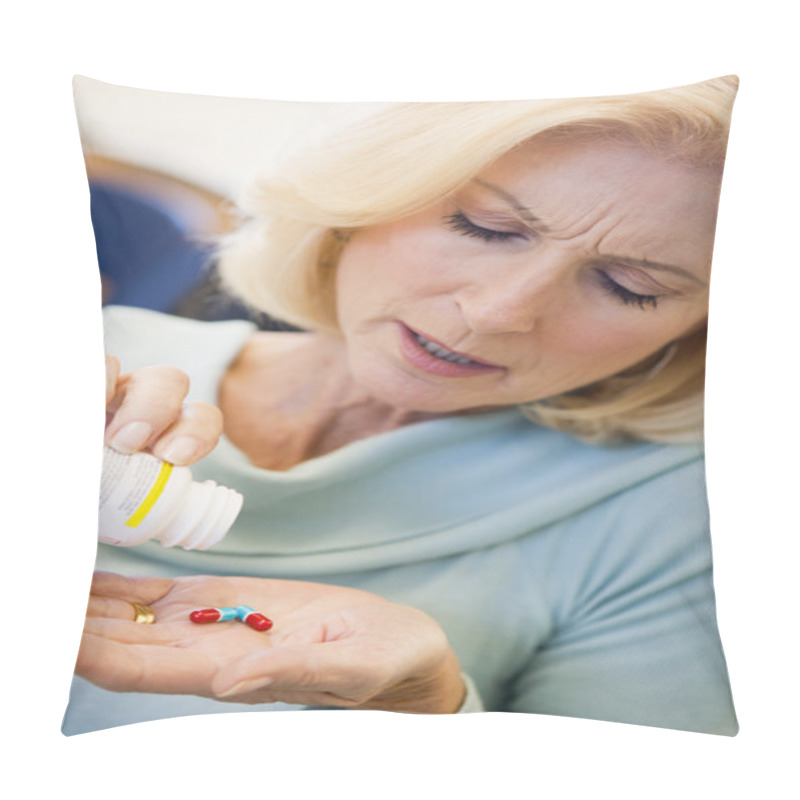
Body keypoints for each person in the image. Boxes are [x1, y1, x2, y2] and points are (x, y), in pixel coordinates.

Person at [63, 76, 739, 735]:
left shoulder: (675, 521)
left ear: (702, 330)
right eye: (484, 226)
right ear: (365, 196)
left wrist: (428, 709)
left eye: (629, 287)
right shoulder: (90, 355)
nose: (497, 311)